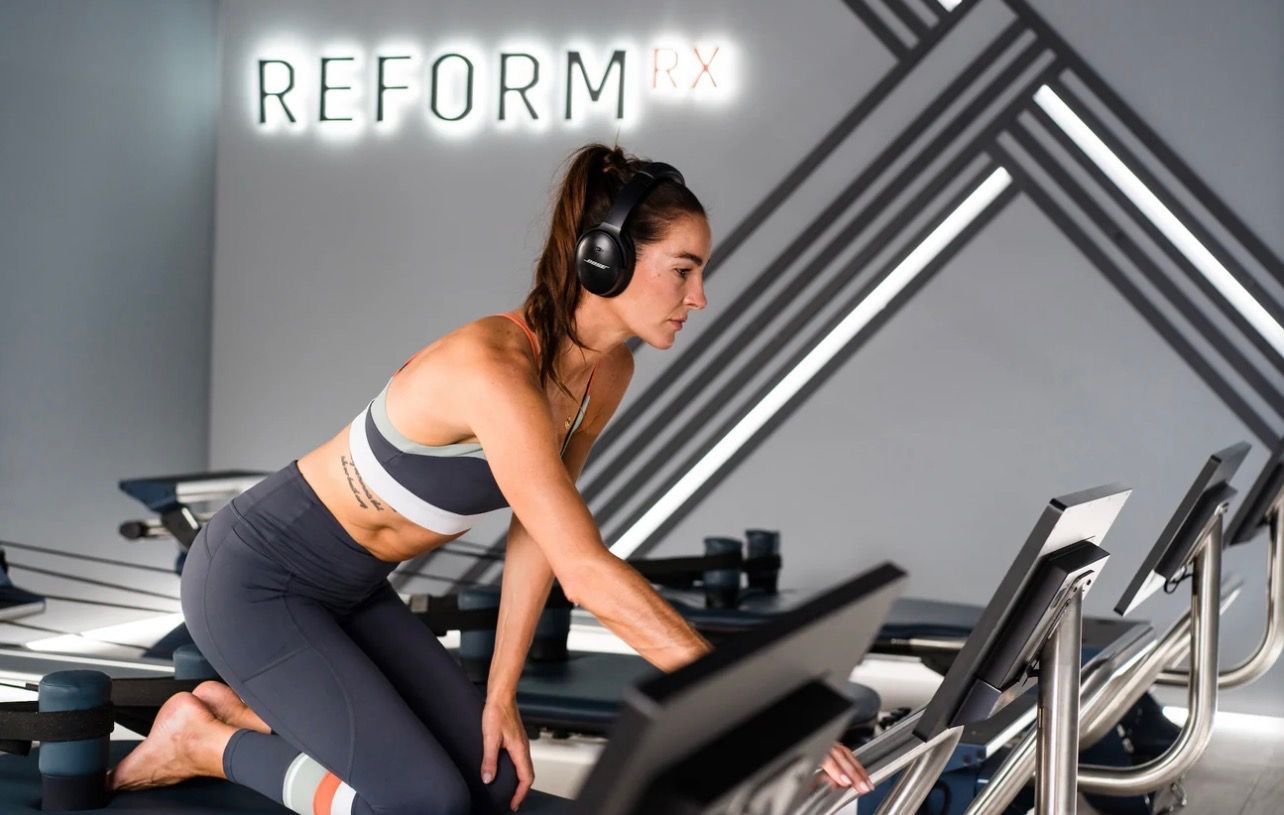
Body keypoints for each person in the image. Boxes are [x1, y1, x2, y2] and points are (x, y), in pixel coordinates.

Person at [109, 144, 873, 813]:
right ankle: (205, 742)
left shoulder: (606, 374)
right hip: (255, 580)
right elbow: (587, 572)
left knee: (492, 781)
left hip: (352, 589)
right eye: (682, 270)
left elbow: (540, 534)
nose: (698, 297)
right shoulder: (492, 370)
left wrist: (501, 690)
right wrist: (760, 706)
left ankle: (243, 718)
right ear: (604, 258)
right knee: (423, 803)